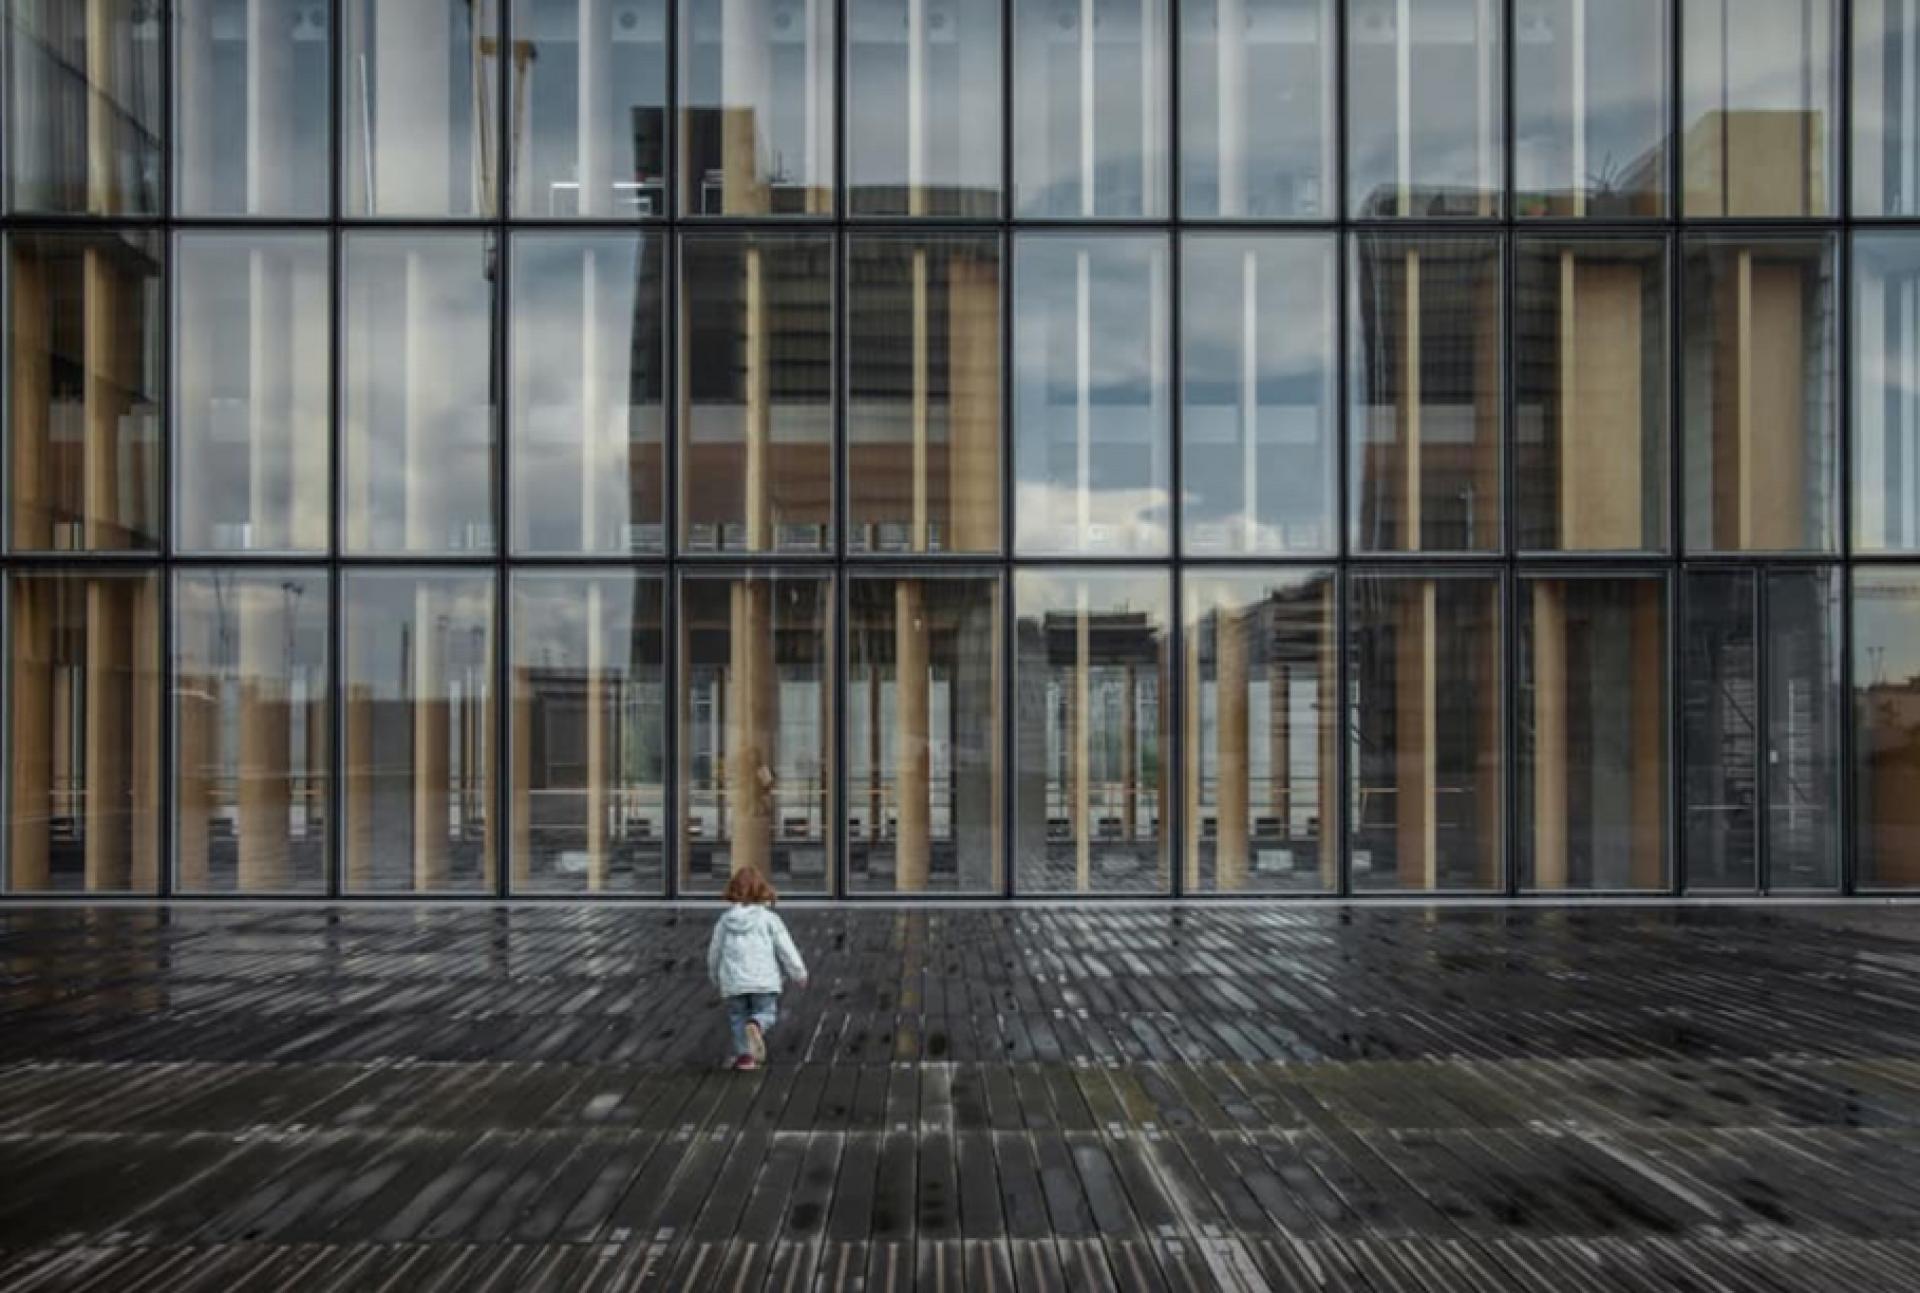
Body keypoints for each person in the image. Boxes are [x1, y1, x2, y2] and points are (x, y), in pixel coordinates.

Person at [707, 869, 808, 1070]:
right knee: (766, 1012)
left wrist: (714, 975)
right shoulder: (769, 919)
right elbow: (785, 948)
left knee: (737, 1018)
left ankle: (745, 1058)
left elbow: (714, 951)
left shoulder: (725, 921)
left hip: (733, 981)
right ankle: (758, 1024)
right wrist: (799, 972)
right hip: (764, 980)